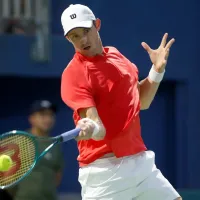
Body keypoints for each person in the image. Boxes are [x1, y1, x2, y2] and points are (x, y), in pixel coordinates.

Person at [60, 4, 181, 200]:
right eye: (74, 36)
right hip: (104, 174)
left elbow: (141, 101)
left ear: (97, 25)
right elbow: (98, 128)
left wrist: (157, 71)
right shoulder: (74, 74)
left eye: (85, 31)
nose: (82, 39)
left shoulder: (117, 57)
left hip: (140, 163)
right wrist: (90, 127)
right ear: (68, 39)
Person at [12, 100, 64, 200]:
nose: (48, 119)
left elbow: (58, 176)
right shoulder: (19, 141)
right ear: (32, 119)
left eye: (50, 115)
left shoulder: (55, 144)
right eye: (43, 115)